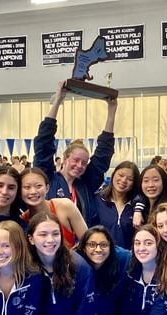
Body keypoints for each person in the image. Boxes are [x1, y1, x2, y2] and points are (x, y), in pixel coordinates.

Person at [34, 80, 117, 226]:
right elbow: (43, 144)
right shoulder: (47, 179)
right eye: (76, 160)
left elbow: (103, 154)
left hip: (82, 245)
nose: (80, 165)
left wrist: (112, 109)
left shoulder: (86, 184)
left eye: (84, 163)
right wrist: (58, 99)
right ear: (65, 158)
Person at [21, 167, 88, 247]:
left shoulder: (65, 206)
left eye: (38, 186)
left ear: (47, 188)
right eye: (27, 187)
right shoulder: (22, 221)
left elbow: (88, 242)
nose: (33, 192)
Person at [95, 161, 140, 249]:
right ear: (113, 174)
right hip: (101, 257)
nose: (123, 181)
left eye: (130, 179)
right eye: (121, 175)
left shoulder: (137, 206)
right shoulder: (97, 200)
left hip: (127, 259)